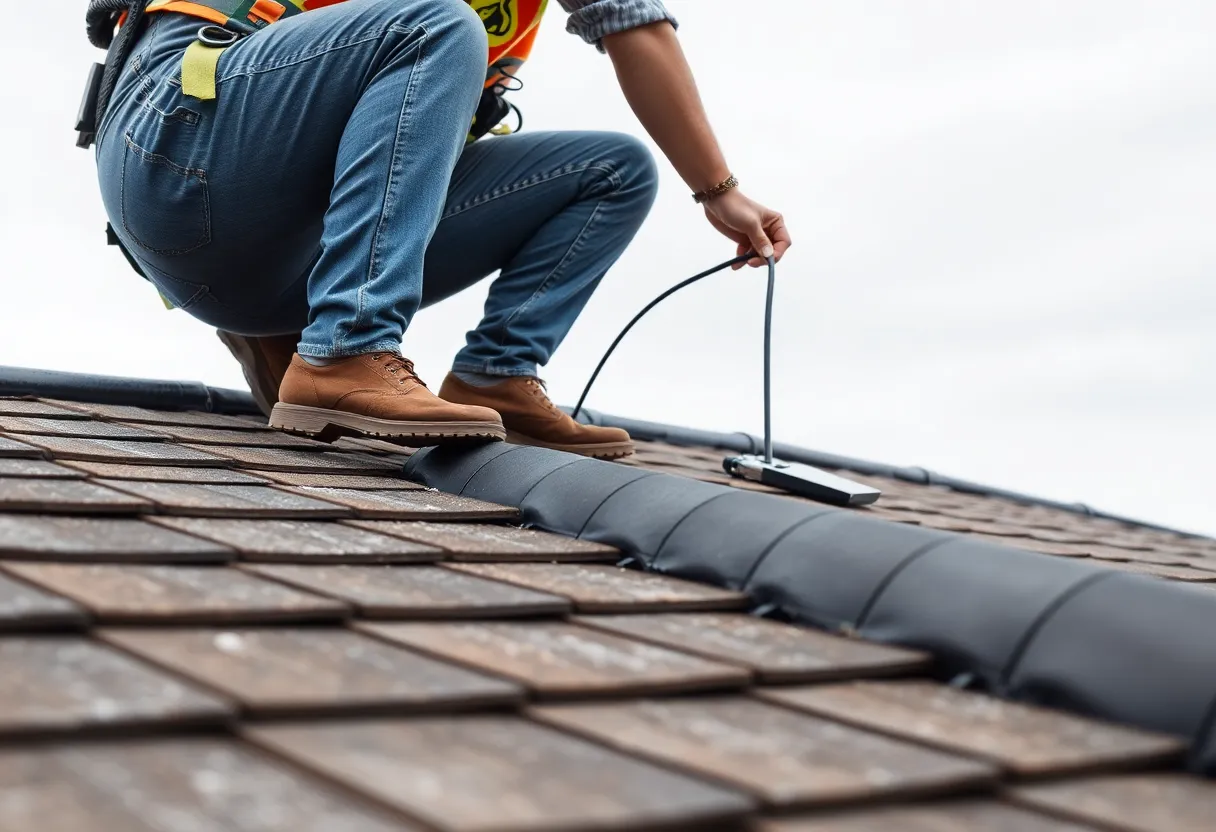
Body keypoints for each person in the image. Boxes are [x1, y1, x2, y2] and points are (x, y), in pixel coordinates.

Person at [93, 0, 791, 459]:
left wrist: (717, 191)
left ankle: (495, 376)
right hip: (180, 152)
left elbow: (630, 22)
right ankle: (347, 343)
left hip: (285, 240)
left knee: (613, 170)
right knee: (436, 26)